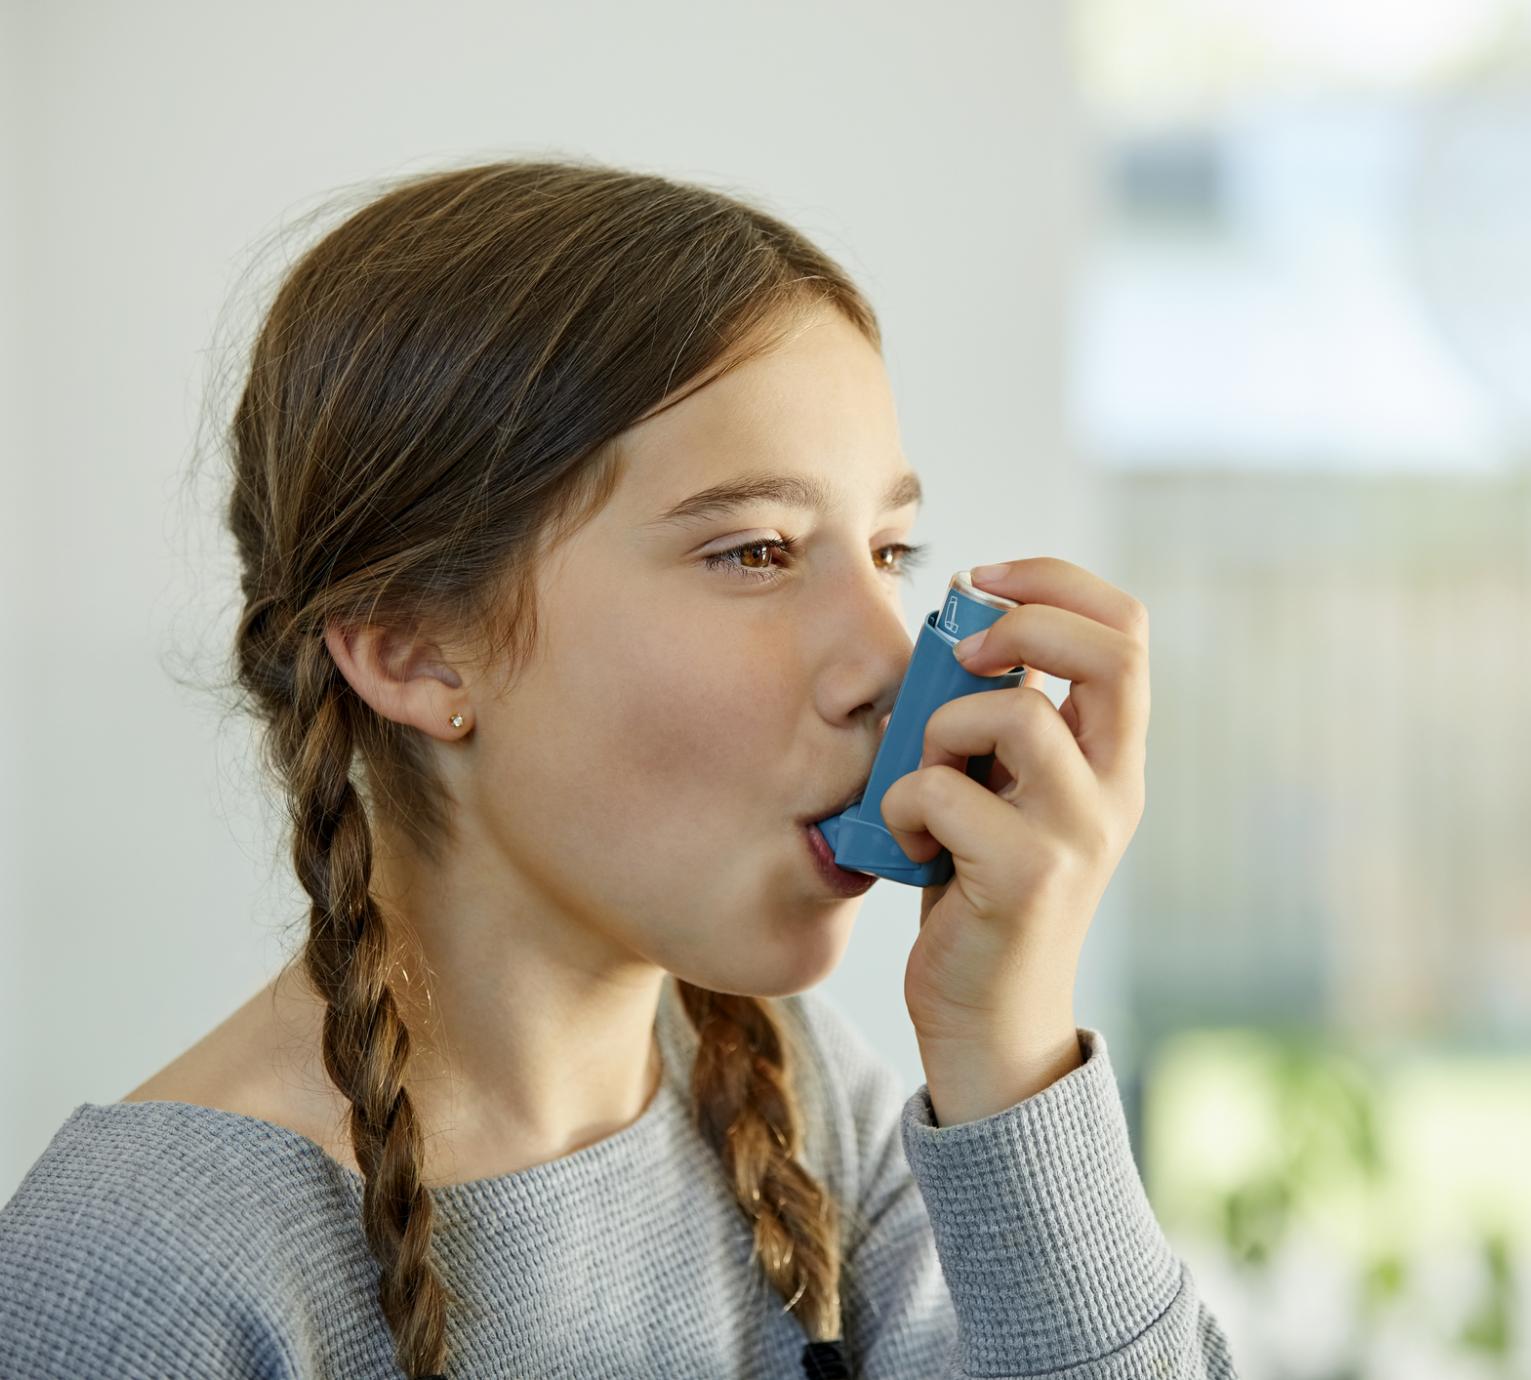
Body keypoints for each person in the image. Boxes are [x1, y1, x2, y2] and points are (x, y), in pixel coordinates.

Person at [0, 158, 1239, 1379]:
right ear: (413, 649)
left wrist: (1004, 1050)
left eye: (889, 550)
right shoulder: (140, 1275)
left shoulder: (805, 1111)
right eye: (756, 551)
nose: (884, 659)